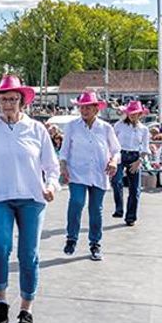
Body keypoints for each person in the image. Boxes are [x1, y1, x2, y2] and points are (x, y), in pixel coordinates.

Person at [0, 75, 60, 323]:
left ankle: (26, 308)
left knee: (28, 255)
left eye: (13, 99)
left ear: (22, 101)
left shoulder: (37, 129)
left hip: (32, 198)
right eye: (3, 99)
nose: (8, 104)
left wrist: (51, 187)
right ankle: (1, 299)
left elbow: (52, 167)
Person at [60, 90, 120, 261]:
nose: (84, 111)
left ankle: (95, 243)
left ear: (96, 109)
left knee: (96, 209)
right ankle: (71, 238)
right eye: (81, 107)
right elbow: (64, 151)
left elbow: (116, 150)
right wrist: (63, 166)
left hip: (99, 172)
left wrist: (114, 161)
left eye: (87, 107)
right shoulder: (72, 126)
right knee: (76, 203)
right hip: (77, 172)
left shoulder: (106, 128)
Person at [112, 101, 151, 226]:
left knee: (135, 189)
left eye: (135, 113)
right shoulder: (119, 125)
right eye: (130, 113)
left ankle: (131, 217)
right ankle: (119, 208)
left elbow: (145, 148)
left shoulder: (144, 129)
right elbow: (111, 142)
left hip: (135, 156)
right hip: (120, 153)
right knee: (116, 180)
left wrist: (139, 161)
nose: (132, 115)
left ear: (140, 114)